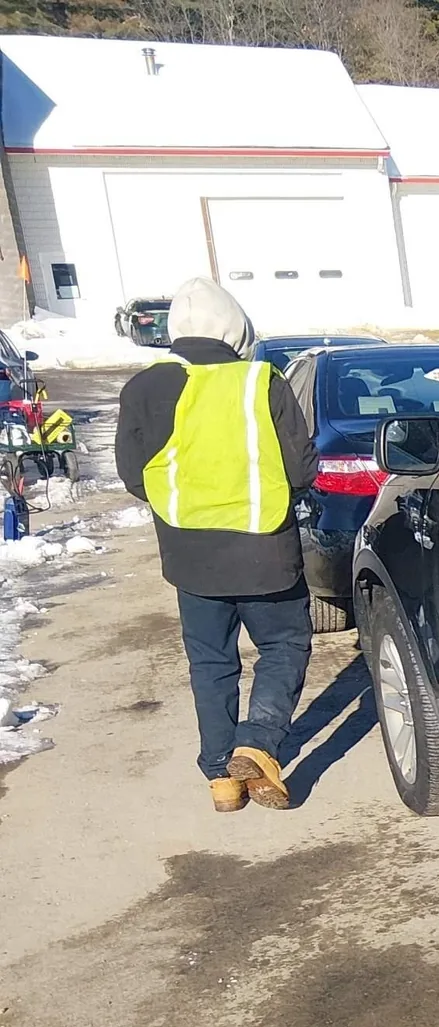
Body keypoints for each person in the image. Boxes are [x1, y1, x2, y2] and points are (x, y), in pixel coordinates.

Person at [115, 277, 317, 812]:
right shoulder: (260, 381)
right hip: (265, 548)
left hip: (190, 555)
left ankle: (220, 777)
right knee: (284, 645)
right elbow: (301, 469)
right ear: (236, 330)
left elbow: (134, 475)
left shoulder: (143, 388)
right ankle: (258, 743)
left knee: (210, 662)